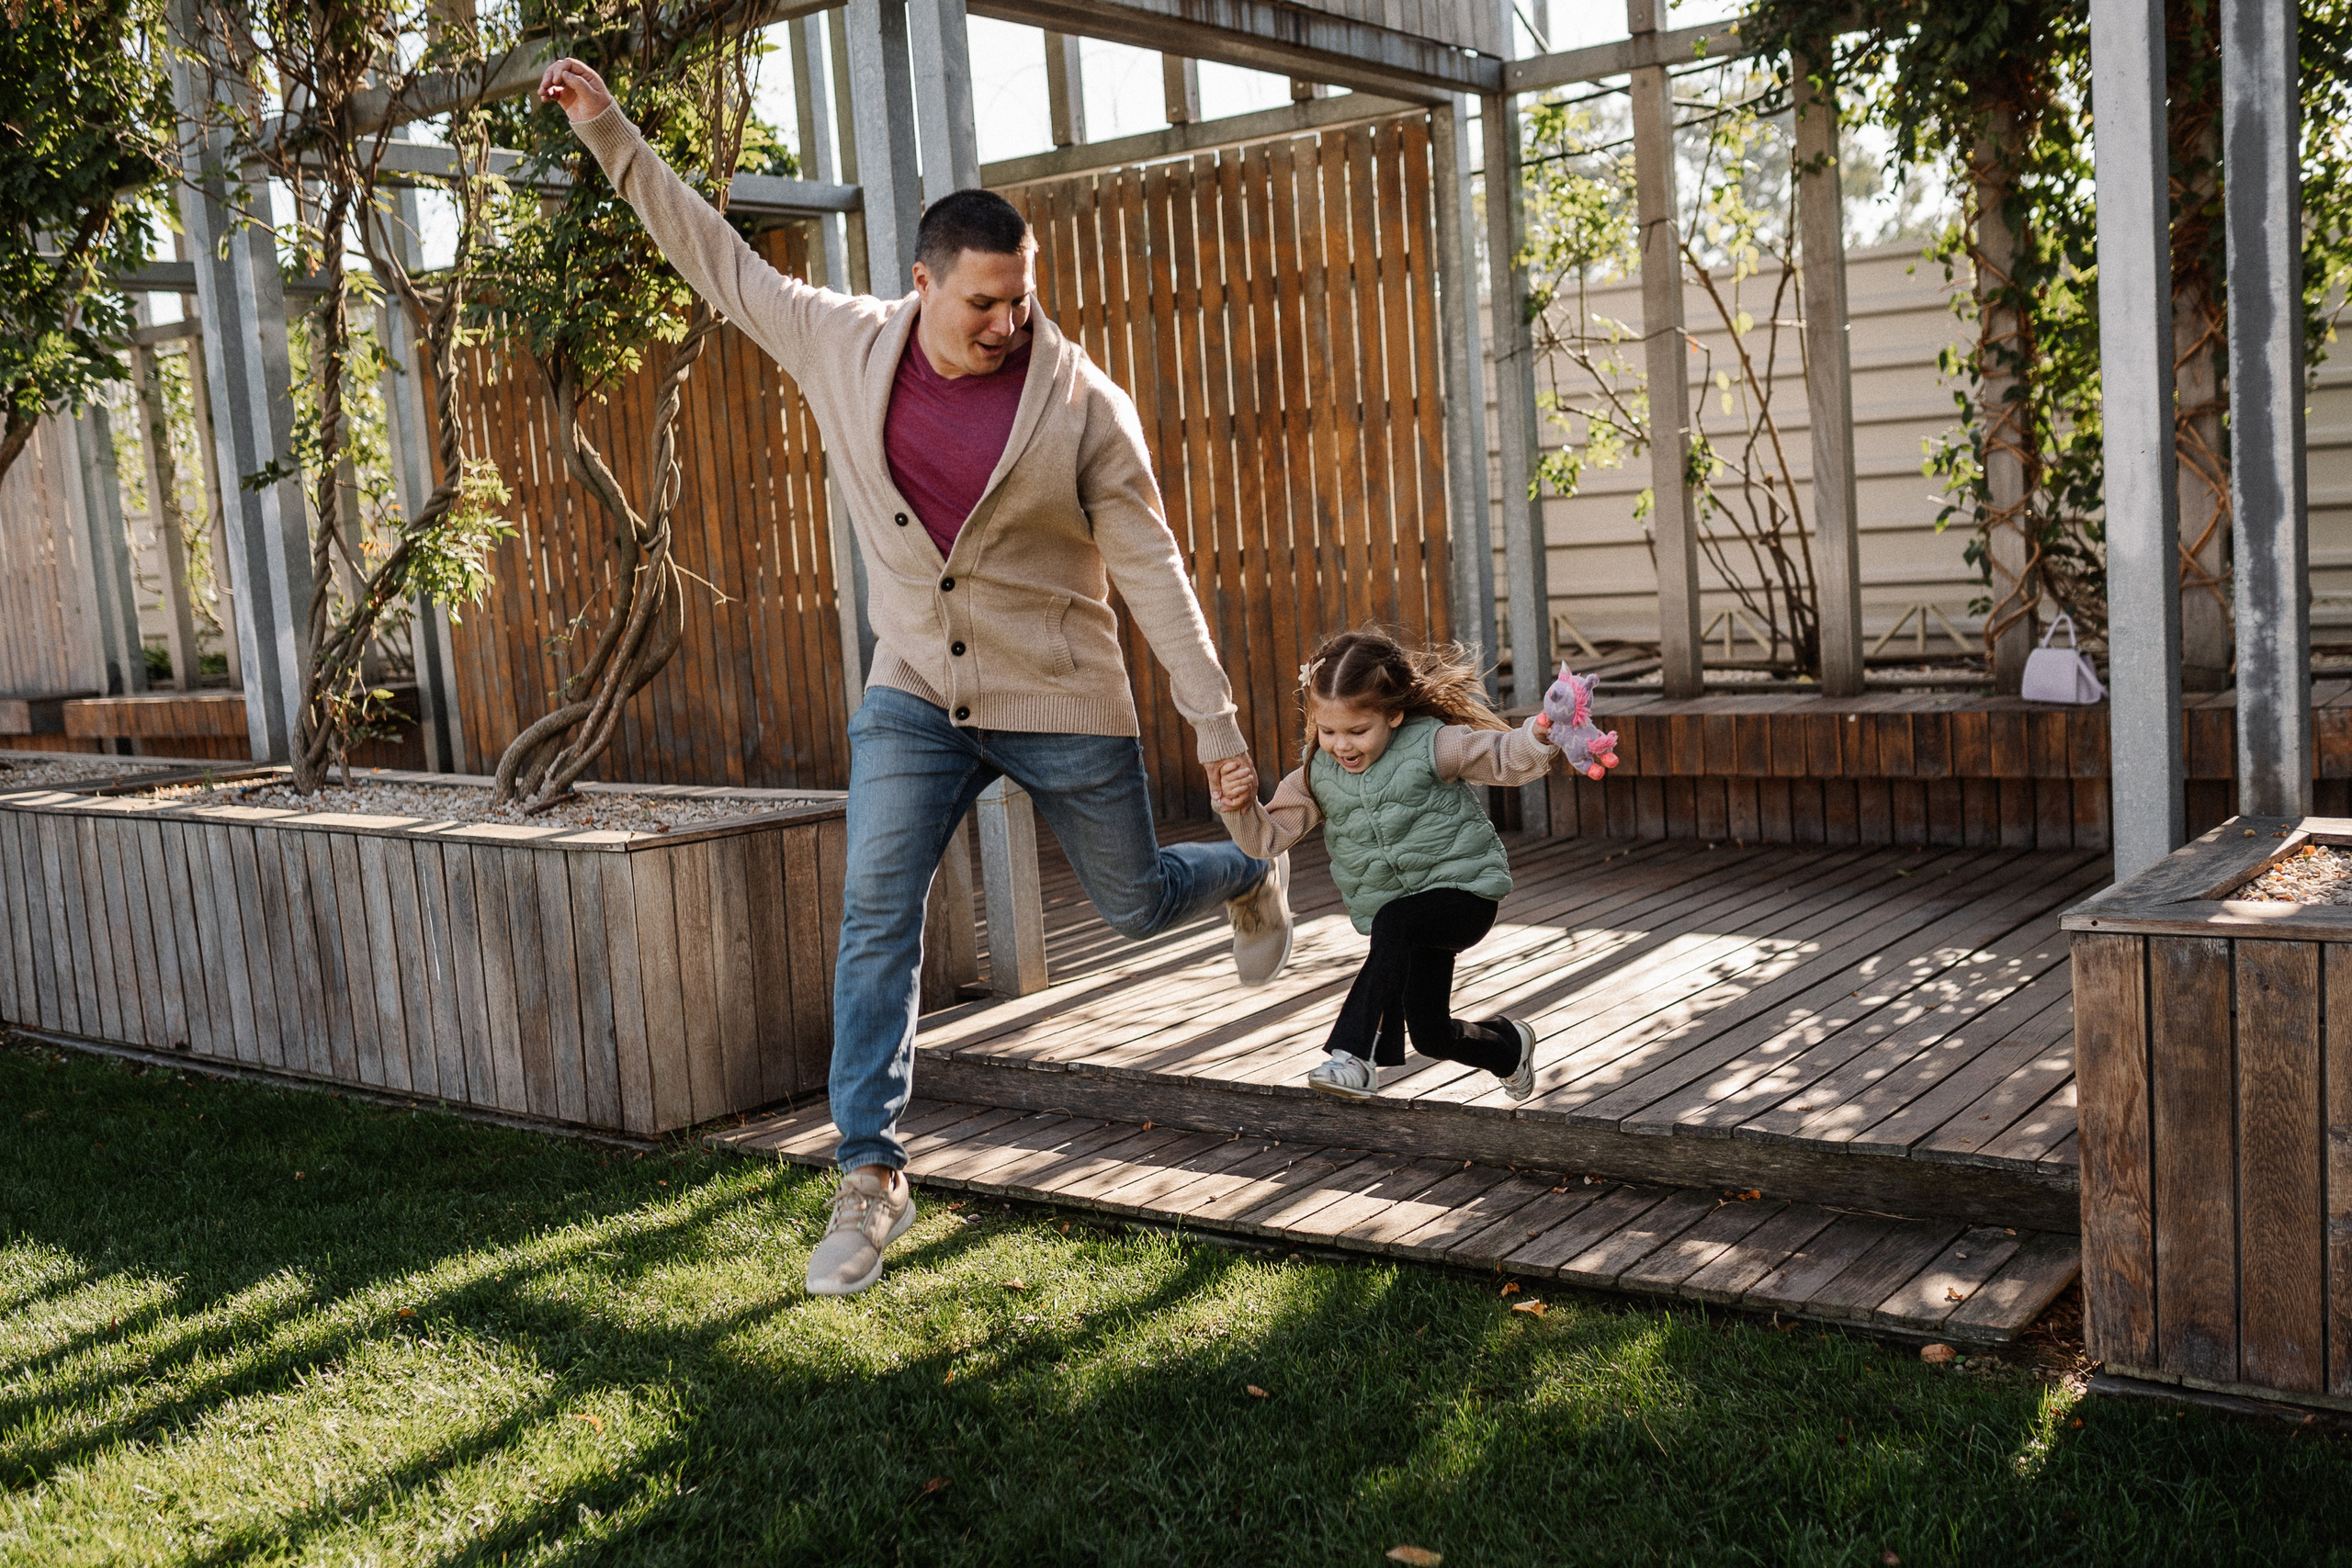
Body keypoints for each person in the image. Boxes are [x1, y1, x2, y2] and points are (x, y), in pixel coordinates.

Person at [537, 59, 1291, 1297]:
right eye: (985, 302)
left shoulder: (1083, 406)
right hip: (914, 693)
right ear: (923, 284)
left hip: (1058, 691)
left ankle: (1248, 877)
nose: (1009, 323)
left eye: (1023, 299)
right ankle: (870, 1171)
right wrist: (608, 129)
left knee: (1137, 898)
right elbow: (716, 259)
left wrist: (1214, 722)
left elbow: (1150, 565)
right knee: (875, 913)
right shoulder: (842, 343)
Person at [1213, 629, 1560, 1100]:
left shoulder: (1431, 745)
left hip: (1464, 893)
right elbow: (1266, 840)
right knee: (1431, 1034)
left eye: (1358, 731)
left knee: (1393, 921)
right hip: (1403, 921)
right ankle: (1508, 1046)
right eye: (1328, 731)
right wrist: (1238, 807)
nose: (1342, 745)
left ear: (1394, 714)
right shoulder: (1317, 775)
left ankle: (1354, 1057)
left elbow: (1502, 758)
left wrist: (1537, 736)